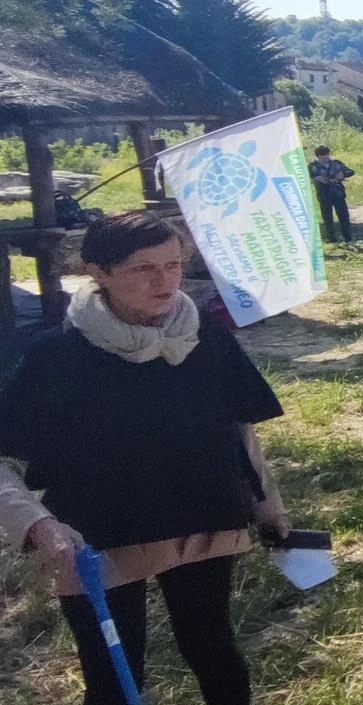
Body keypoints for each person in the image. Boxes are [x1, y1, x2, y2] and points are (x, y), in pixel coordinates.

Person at [0, 211, 289, 705]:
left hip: (205, 523)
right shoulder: (56, 356)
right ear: (98, 271)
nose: (165, 282)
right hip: (96, 540)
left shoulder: (205, 338)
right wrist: (39, 528)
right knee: (113, 681)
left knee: (216, 654)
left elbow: (237, 429)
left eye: (173, 265)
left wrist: (270, 508)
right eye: (143, 269)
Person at [308, 145, 355, 243]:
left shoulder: (336, 163)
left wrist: (343, 174)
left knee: (344, 216)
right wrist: (316, 179)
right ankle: (332, 238)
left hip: (338, 193)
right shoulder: (312, 166)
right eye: (322, 158)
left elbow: (350, 171)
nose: (325, 159)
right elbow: (305, 178)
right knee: (327, 217)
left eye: (327, 156)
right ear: (317, 156)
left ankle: (348, 238)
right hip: (323, 194)